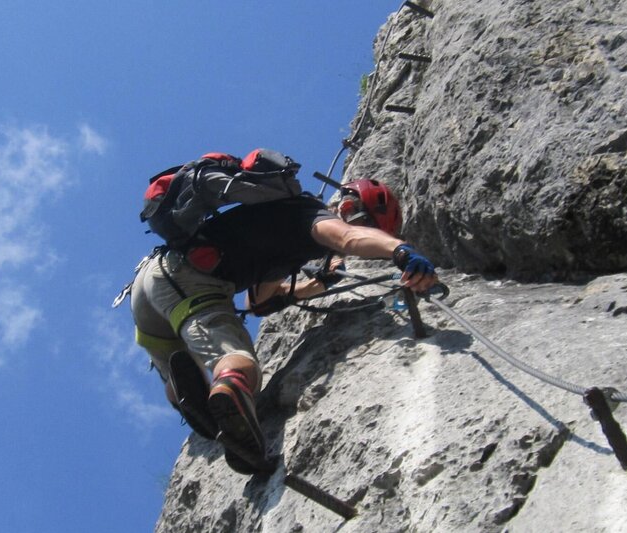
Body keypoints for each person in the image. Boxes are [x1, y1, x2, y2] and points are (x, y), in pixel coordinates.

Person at [129, 155, 437, 473]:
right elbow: (348, 238)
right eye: (367, 224)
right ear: (352, 209)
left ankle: (182, 393)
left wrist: (316, 283)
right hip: (190, 282)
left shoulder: (284, 229)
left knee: (176, 363)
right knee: (239, 363)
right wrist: (400, 250)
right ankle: (228, 389)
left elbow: (259, 301)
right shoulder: (311, 212)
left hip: (150, 287)